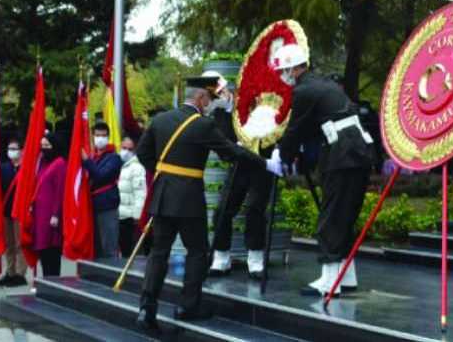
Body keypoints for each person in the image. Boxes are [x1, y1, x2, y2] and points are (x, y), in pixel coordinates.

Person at [135, 76, 282, 331]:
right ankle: (188, 306)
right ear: (201, 97)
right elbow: (231, 152)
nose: (211, 104)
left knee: (159, 252)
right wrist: (266, 164)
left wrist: (165, 175)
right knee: (197, 251)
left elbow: (143, 154)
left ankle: (146, 309)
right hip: (189, 198)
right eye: (210, 99)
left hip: (162, 195)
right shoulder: (202, 125)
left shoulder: (160, 120)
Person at [274, 44, 374, 296]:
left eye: (284, 70)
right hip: (359, 151)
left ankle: (330, 282)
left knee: (330, 217)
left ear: (294, 68)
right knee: (345, 215)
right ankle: (346, 276)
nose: (283, 75)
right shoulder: (324, 85)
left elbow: (296, 129)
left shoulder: (305, 90)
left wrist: (282, 155)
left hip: (342, 154)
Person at [207, 72, 276, 279]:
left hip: (262, 163)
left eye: (219, 90)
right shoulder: (221, 111)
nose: (218, 95)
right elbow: (224, 142)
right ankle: (221, 257)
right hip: (240, 164)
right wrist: (227, 110)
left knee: (255, 208)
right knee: (222, 209)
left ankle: (255, 259)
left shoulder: (258, 100)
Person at [82, 122, 122, 259]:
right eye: (97, 135)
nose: (100, 138)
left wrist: (86, 161)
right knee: (96, 248)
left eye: (103, 135)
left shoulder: (114, 158)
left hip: (107, 207)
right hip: (91, 207)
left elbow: (101, 176)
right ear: (93, 136)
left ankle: (112, 278)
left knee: (109, 247)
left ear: (108, 137)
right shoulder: (93, 156)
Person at [32, 132, 66, 277]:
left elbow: (60, 190)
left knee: (52, 249)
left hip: (51, 216)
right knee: (43, 250)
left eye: (47, 145)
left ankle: (53, 280)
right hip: (40, 214)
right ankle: (46, 279)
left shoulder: (59, 163)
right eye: (42, 146)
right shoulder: (43, 163)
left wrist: (56, 214)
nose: (44, 148)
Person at [0, 138, 27, 286]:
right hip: (6, 210)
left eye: (14, 148)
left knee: (20, 243)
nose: (12, 151)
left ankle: (20, 274)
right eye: (10, 148)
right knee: (8, 244)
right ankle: (10, 271)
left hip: (20, 211)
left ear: (21, 150)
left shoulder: (26, 168)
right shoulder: (3, 167)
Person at [117, 135, 146, 258]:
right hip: (116, 214)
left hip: (128, 217)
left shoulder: (137, 168)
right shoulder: (116, 163)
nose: (126, 152)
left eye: (130, 149)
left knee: (127, 251)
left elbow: (140, 193)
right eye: (124, 148)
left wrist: (137, 216)